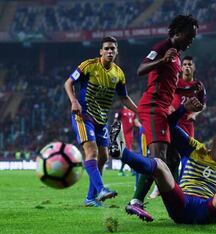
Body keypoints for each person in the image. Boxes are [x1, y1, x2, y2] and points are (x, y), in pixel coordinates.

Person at [119, 15, 199, 221]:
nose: (191, 40)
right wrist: (162, 60)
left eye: (193, 37)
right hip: (153, 108)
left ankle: (175, 205)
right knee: (159, 159)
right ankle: (135, 202)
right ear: (177, 33)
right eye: (189, 36)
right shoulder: (163, 47)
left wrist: (191, 89)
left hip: (164, 110)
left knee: (173, 159)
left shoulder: (178, 56)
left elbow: (170, 84)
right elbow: (140, 69)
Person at [64, 36, 137, 207]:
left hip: (101, 120)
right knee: (92, 152)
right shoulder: (88, 65)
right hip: (83, 116)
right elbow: (68, 83)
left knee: (103, 157)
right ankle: (101, 190)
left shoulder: (118, 73)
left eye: (113, 48)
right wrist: (73, 101)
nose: (110, 51)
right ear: (101, 51)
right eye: (107, 48)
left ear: (116, 51)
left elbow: (124, 97)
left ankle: (90, 198)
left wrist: (140, 111)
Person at [149, 55, 206, 199]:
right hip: (173, 122)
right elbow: (165, 96)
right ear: (181, 67)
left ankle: (181, 187)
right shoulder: (175, 82)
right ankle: (160, 186)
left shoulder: (198, 85)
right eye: (185, 64)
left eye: (190, 64)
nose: (187, 67)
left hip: (187, 124)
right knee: (169, 155)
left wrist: (195, 114)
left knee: (188, 154)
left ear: (194, 67)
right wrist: (168, 107)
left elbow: (202, 104)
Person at [114, 106, 141, 176]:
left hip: (130, 135)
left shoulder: (132, 112)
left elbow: (135, 122)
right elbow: (116, 121)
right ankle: (129, 170)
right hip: (123, 135)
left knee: (127, 152)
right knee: (127, 152)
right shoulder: (121, 111)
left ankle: (124, 170)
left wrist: (142, 127)